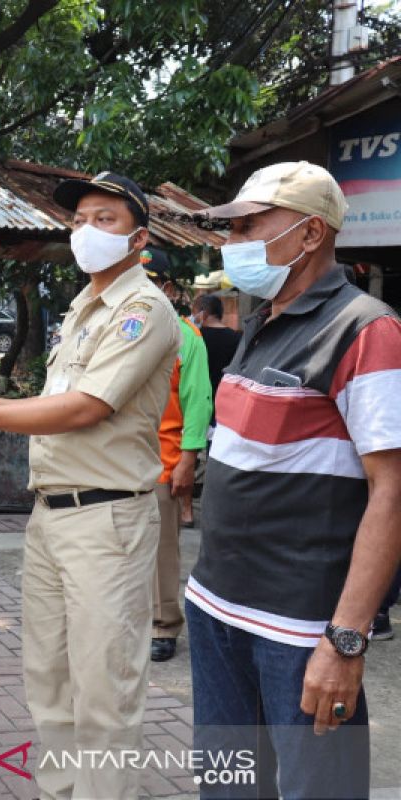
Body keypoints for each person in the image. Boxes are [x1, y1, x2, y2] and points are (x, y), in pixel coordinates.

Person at [0, 172, 179, 799]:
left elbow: (87, 407)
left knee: (104, 693)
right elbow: (53, 400)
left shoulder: (142, 309)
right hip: (51, 517)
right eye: (79, 220)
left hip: (107, 521)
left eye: (106, 220)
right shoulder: (81, 307)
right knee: (50, 681)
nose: (87, 232)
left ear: (139, 237)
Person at [187, 161, 401, 798]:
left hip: (301, 630)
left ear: (310, 235)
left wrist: (346, 640)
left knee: (319, 790)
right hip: (216, 608)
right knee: (227, 786)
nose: (237, 239)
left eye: (253, 224)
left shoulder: (367, 330)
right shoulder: (261, 321)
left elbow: (391, 492)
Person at [142, 249, 212, 663]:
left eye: (150, 283)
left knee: (161, 550)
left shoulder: (186, 337)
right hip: (115, 461)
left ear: (167, 289)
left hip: (161, 463)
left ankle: (163, 624)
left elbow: (198, 402)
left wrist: (188, 459)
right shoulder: (118, 330)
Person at [190, 293, 240, 424]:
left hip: (197, 401)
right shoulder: (236, 338)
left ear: (203, 313)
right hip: (226, 401)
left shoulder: (196, 338)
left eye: (194, 312)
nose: (193, 317)